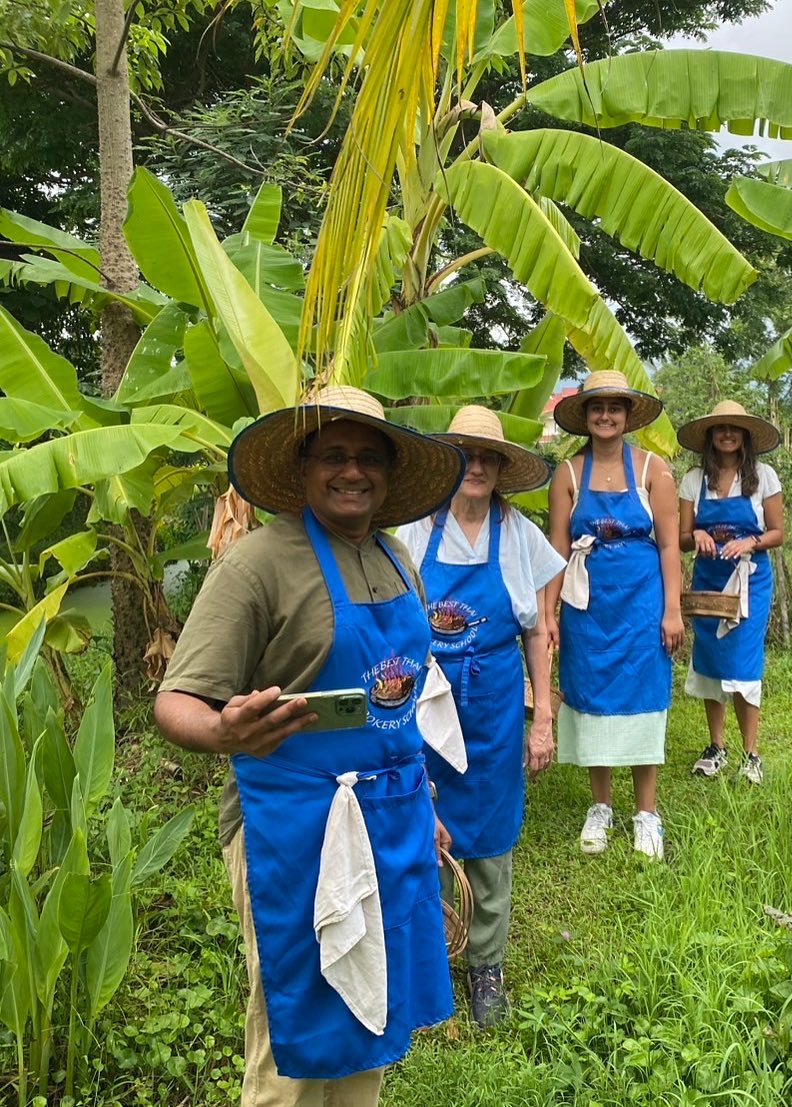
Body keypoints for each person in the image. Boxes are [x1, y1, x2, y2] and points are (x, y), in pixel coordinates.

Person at [153, 386, 467, 1106]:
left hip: (390, 821)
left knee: (369, 1012)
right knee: (296, 1030)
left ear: (388, 474)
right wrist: (222, 729)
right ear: (301, 469)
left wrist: (426, 806)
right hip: (289, 830)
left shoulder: (398, 560)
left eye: (367, 457)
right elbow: (174, 702)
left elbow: (402, 703)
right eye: (333, 455)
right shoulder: (258, 564)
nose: (351, 471)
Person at [395, 405, 564, 1029]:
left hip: (494, 702)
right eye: (466, 455)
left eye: (489, 457)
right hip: (426, 701)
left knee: (491, 835)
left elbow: (537, 633)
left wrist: (541, 717)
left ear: (500, 470)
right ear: (451, 464)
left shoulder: (517, 533)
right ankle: (434, 958)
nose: (478, 467)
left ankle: (485, 966)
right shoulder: (414, 531)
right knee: (422, 823)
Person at [545, 370, 684, 860]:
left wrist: (672, 611)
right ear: (584, 417)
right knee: (589, 698)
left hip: (642, 603)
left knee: (645, 697)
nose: (606, 416)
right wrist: (549, 614)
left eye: (615, 408)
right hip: (587, 607)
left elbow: (670, 546)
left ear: (627, 417)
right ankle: (600, 806)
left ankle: (646, 813)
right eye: (597, 408)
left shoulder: (654, 470)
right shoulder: (567, 474)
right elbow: (557, 549)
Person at [677, 400, 783, 784]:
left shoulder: (764, 476)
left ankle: (751, 753)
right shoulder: (693, 480)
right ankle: (716, 746)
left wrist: (751, 542)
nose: (727, 434)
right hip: (708, 581)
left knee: (743, 663)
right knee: (709, 663)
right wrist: (698, 535)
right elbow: (682, 538)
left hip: (749, 581)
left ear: (745, 436)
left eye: (734, 429)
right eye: (720, 428)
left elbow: (777, 532)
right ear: (710, 436)